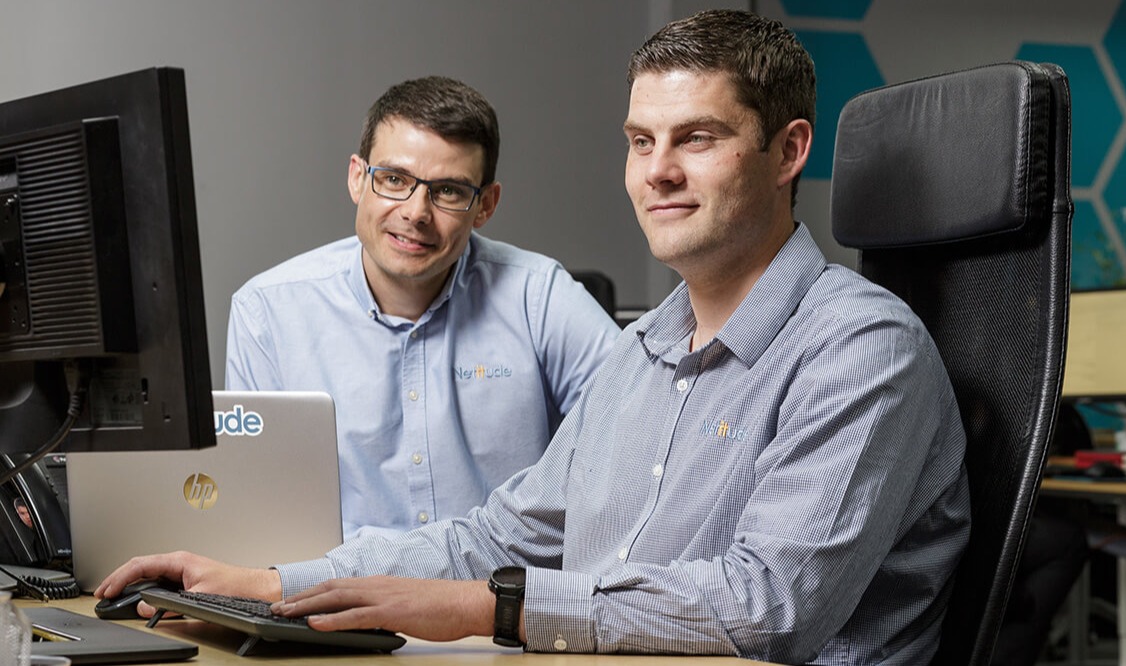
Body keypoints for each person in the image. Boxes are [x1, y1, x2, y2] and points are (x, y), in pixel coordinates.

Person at [98, 10, 970, 664]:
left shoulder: (861, 348)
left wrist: (494, 609)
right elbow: (494, 538)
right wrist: (270, 583)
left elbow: (770, 605)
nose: (658, 170)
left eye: (697, 138)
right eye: (640, 140)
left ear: (788, 152)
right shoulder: (639, 355)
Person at [224, 76, 619, 539]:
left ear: (485, 205)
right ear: (358, 178)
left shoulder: (540, 296)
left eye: (448, 190)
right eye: (394, 180)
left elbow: (636, 439)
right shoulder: (266, 313)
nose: (416, 212)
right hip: (333, 595)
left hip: (489, 597)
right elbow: (258, 512)